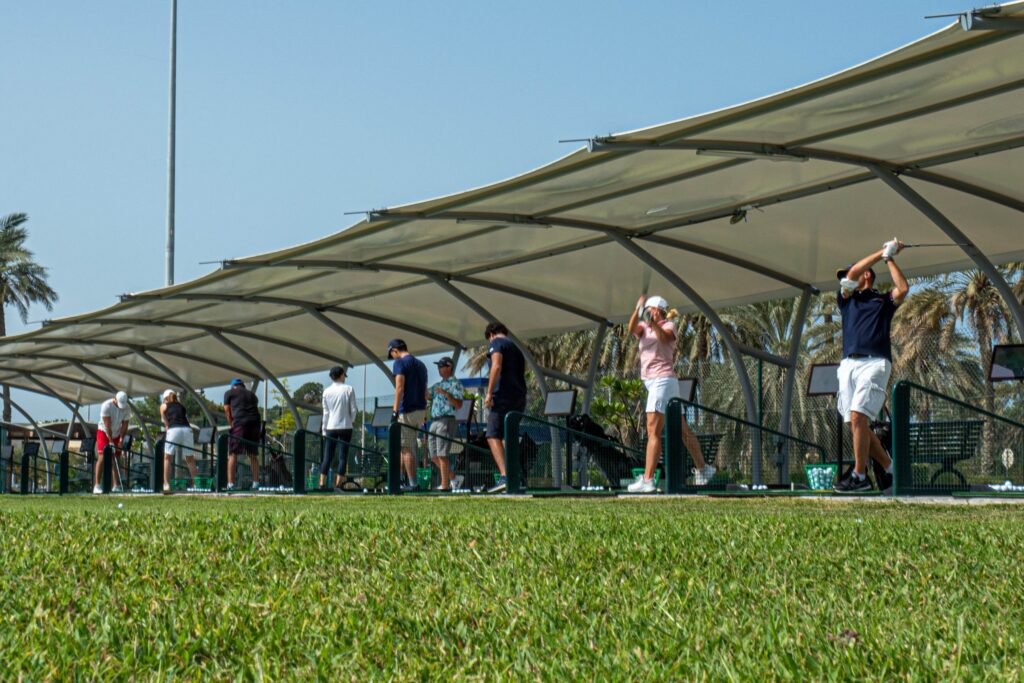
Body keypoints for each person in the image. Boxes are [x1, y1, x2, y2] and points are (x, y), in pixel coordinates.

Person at [833, 238, 908, 493]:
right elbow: (853, 272)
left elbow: (903, 289)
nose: (846, 279)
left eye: (850, 274)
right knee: (857, 423)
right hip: (848, 365)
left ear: (868, 275)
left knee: (858, 416)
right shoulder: (846, 299)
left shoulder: (882, 301)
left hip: (875, 362)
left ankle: (859, 475)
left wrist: (889, 258)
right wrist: (882, 251)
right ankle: (890, 469)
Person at [626, 295, 715, 493]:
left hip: (662, 381)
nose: (647, 312)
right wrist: (637, 309)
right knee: (682, 429)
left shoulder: (669, 326)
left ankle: (648, 480)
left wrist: (651, 322)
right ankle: (703, 468)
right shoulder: (644, 328)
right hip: (658, 383)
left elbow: (664, 338)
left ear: (657, 310)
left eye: (649, 309)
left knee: (653, 431)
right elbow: (631, 329)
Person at [483, 322, 527, 493]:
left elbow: (496, 366)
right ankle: (516, 476)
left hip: (502, 396)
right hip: (519, 396)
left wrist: (489, 393)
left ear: (491, 334)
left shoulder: (497, 343)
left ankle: (505, 476)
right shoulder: (516, 349)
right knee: (507, 436)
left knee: (492, 434)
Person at [388, 339, 428, 493]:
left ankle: (412, 483)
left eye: (392, 354)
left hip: (407, 411)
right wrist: (425, 413)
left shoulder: (399, 363)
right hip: (420, 411)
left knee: (406, 448)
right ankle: (398, 481)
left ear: (395, 350)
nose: (392, 357)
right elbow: (425, 391)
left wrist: (394, 411)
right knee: (403, 446)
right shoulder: (421, 365)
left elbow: (399, 387)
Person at [427, 356, 464, 491]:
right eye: (438, 366)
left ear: (449, 367)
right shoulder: (437, 384)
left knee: (442, 454)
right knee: (434, 456)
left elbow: (459, 404)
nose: (439, 369)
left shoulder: (456, 384)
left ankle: (444, 485)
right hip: (434, 420)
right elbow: (427, 395)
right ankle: (454, 478)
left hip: (446, 419)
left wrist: (446, 394)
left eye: (441, 366)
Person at [320, 365, 357, 490]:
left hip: (330, 427)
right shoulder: (349, 389)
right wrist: (351, 421)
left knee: (327, 456)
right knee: (343, 456)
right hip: (346, 426)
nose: (344, 378)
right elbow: (353, 410)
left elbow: (325, 413)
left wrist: (324, 430)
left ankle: (321, 483)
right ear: (341, 375)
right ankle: (338, 484)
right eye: (344, 375)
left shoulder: (326, 392)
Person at [224, 378, 261, 491]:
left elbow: (227, 410)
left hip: (240, 423)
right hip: (255, 424)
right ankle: (256, 483)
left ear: (233, 386)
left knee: (233, 453)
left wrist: (232, 424)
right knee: (252, 454)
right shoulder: (252, 395)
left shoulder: (229, 393)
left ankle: (231, 484)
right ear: (243, 386)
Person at [160, 389, 197, 494]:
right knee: (190, 458)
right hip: (187, 430)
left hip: (174, 429)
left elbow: (166, 424)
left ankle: (166, 485)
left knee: (167, 458)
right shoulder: (181, 406)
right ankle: (196, 484)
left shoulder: (163, 406)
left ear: (165, 398)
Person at [94, 390, 130, 494]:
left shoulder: (127, 407)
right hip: (104, 432)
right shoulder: (106, 406)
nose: (121, 407)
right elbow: (107, 426)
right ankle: (97, 486)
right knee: (102, 457)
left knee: (116, 458)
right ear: (115, 399)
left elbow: (125, 425)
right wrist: (110, 441)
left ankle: (116, 486)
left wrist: (121, 439)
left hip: (117, 433)